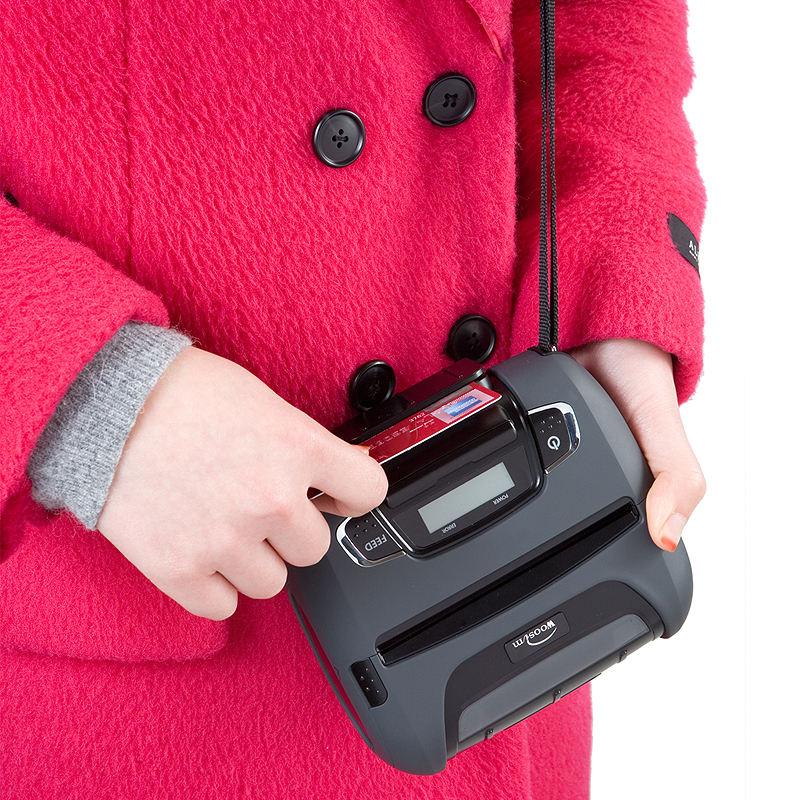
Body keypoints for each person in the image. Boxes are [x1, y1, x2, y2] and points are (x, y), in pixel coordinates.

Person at [0, 0, 706, 797]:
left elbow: (600, 26)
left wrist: (612, 288)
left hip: (522, 577)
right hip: (149, 680)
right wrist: (91, 397)